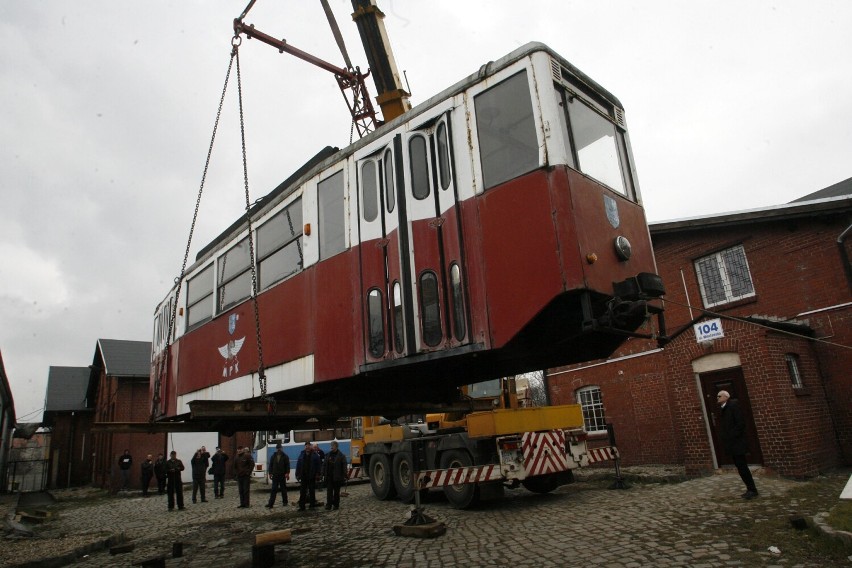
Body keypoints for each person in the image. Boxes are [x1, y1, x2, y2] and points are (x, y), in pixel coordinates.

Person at [717, 390, 759, 499]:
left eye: (719, 396)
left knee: (742, 466)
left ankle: (752, 489)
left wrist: (731, 435)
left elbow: (740, 423)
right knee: (740, 467)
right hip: (733, 443)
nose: (717, 398)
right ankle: (750, 488)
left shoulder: (733, 406)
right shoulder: (724, 408)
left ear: (726, 397)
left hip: (737, 442)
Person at [295, 441, 321, 511]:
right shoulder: (301, 455)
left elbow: (318, 466)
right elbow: (298, 465)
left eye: (309, 446)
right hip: (303, 476)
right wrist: (297, 474)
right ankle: (302, 506)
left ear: (310, 447)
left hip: (311, 476)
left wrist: (318, 474)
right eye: (306, 446)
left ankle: (312, 505)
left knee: (312, 491)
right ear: (305, 447)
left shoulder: (315, 455)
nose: (307, 447)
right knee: (302, 492)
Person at [323, 440, 347, 511]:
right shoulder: (328, 455)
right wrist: (323, 474)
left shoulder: (341, 456)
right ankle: (329, 505)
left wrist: (345, 474)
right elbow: (324, 465)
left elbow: (344, 466)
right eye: (331, 446)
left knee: (336, 492)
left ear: (336, 446)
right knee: (329, 492)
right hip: (329, 477)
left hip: (337, 477)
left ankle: (336, 505)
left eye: (332, 446)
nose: (331, 447)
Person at [265, 443, 290, 509]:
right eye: (278, 448)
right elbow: (270, 465)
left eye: (280, 448)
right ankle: (271, 503)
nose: (279, 449)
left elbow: (287, 465)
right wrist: (270, 473)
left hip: (282, 475)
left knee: (283, 489)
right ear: (276, 449)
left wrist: (287, 473)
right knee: (273, 490)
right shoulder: (273, 456)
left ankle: (285, 502)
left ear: (282, 448)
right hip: (275, 475)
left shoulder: (285, 456)